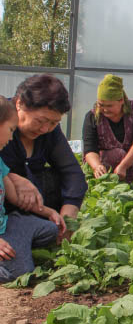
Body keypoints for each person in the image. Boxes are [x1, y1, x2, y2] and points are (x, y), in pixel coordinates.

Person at [0, 74, 87, 223]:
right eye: (40, 121)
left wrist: (68, 216)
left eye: (54, 123)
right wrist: (8, 177)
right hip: (5, 200)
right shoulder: (2, 117)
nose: (45, 129)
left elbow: (72, 172)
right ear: (19, 103)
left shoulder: (50, 132)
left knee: (54, 179)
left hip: (35, 207)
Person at [0, 95, 65, 283]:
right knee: (22, 272)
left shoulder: (0, 162)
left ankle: (17, 245)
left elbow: (13, 195)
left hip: (6, 223)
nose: (12, 136)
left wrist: (47, 212)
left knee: (50, 230)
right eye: (11, 129)